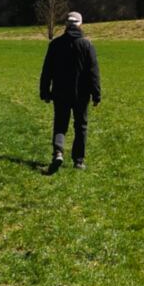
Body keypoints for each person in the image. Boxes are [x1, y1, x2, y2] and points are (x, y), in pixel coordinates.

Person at [39, 10, 101, 173]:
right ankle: (78, 160)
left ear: (66, 25)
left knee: (60, 124)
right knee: (81, 126)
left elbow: (47, 70)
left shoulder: (55, 44)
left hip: (60, 92)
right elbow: (93, 72)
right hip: (82, 94)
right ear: (80, 24)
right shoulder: (87, 45)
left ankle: (58, 153)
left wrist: (45, 91)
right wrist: (96, 94)